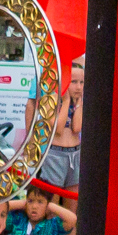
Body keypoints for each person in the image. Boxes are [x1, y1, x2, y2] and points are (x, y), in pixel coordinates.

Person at [37, 56, 83, 199]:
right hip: (55, 154)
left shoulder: (80, 100)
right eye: (74, 82)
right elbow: (58, 129)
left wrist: (78, 103)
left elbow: (76, 128)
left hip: (75, 153)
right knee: (53, 204)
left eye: (82, 82)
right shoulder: (49, 98)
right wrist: (66, 100)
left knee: (72, 205)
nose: (78, 87)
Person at [0, 182, 77, 235]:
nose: (34, 206)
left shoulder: (53, 225)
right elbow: (0, 209)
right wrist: (22, 203)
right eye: (30, 201)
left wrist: (51, 206)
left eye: (40, 202)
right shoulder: (18, 220)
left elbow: (72, 220)